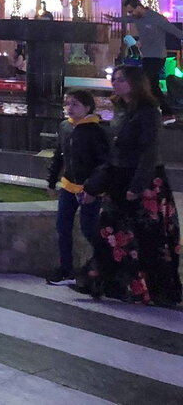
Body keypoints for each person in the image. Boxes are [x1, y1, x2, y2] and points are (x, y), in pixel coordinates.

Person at [77, 65, 182, 305]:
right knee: (110, 232)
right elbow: (115, 151)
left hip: (143, 182)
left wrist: (137, 187)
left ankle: (152, 289)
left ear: (135, 83)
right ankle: (104, 282)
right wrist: (95, 185)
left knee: (147, 237)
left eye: (121, 80)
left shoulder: (147, 112)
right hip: (120, 177)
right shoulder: (122, 110)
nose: (115, 83)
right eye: (114, 79)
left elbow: (148, 152)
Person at [45, 89, 108, 285]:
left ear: (87, 107)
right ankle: (66, 268)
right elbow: (59, 155)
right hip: (68, 185)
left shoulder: (96, 131)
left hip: (88, 189)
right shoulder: (65, 127)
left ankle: (104, 264)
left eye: (75, 104)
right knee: (62, 227)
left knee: (89, 228)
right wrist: (51, 181)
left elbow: (103, 163)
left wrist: (93, 188)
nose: (69, 108)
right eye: (67, 103)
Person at [114, 0, 179, 124]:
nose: (131, 14)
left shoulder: (156, 18)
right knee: (147, 83)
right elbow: (127, 19)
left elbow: (173, 30)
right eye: (129, 12)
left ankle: (166, 112)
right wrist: (114, 19)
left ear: (139, 7)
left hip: (157, 56)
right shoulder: (137, 18)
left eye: (131, 11)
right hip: (147, 56)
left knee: (150, 83)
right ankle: (154, 109)